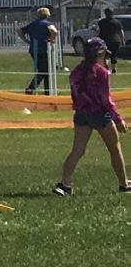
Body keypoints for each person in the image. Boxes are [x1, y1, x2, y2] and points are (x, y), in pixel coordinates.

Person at [55, 37, 129, 196]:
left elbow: (75, 94)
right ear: (100, 53)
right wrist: (118, 119)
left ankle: (64, 184)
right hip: (100, 115)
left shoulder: (76, 71)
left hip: (82, 114)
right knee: (114, 148)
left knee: (77, 151)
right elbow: (105, 99)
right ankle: (123, 184)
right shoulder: (101, 72)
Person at [22, 7, 60, 95]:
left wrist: (26, 41)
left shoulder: (32, 24)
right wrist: (51, 39)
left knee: (45, 71)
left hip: (33, 50)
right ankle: (31, 88)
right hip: (44, 50)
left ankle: (47, 91)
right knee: (44, 71)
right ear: (47, 15)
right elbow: (54, 31)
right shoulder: (47, 24)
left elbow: (19, 30)